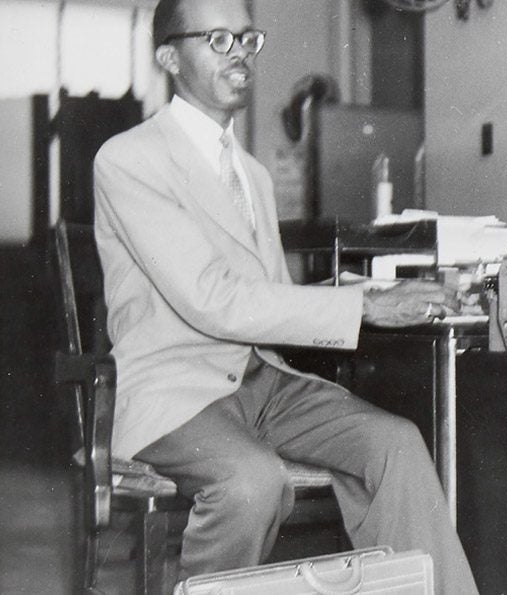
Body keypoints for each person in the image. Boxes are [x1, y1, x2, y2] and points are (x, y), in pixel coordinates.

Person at [92, 0, 478, 591]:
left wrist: (366, 289)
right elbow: (211, 299)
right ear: (170, 57)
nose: (240, 53)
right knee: (252, 481)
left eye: (248, 39)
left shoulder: (252, 173)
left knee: (394, 443)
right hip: (176, 392)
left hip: (262, 379)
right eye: (218, 39)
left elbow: (266, 297)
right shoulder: (129, 159)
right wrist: (361, 307)